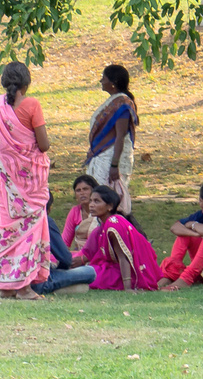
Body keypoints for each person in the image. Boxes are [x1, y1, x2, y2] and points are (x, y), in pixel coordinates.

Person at [0, 62, 53, 299]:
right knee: (29, 231)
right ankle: (23, 287)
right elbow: (43, 145)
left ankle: (7, 287)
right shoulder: (32, 105)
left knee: (10, 231)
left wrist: (9, 151)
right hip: (30, 183)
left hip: (8, 185)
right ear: (26, 83)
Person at [65, 185, 161, 290]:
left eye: (97, 201)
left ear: (109, 206)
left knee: (82, 276)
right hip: (110, 268)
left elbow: (123, 257)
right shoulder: (103, 226)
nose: (91, 205)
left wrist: (128, 288)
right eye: (91, 201)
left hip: (124, 273)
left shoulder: (113, 225)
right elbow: (91, 253)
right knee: (82, 271)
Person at [87, 65, 139, 214]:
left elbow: (120, 135)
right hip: (101, 155)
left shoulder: (122, 104)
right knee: (98, 197)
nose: (101, 81)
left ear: (113, 82)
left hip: (110, 157)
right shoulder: (113, 101)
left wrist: (114, 165)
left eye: (104, 78)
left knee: (108, 198)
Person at [60, 174, 101, 256]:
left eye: (85, 189)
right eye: (78, 190)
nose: (82, 193)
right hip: (79, 255)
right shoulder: (75, 212)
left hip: (99, 256)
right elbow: (64, 242)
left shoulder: (101, 211)